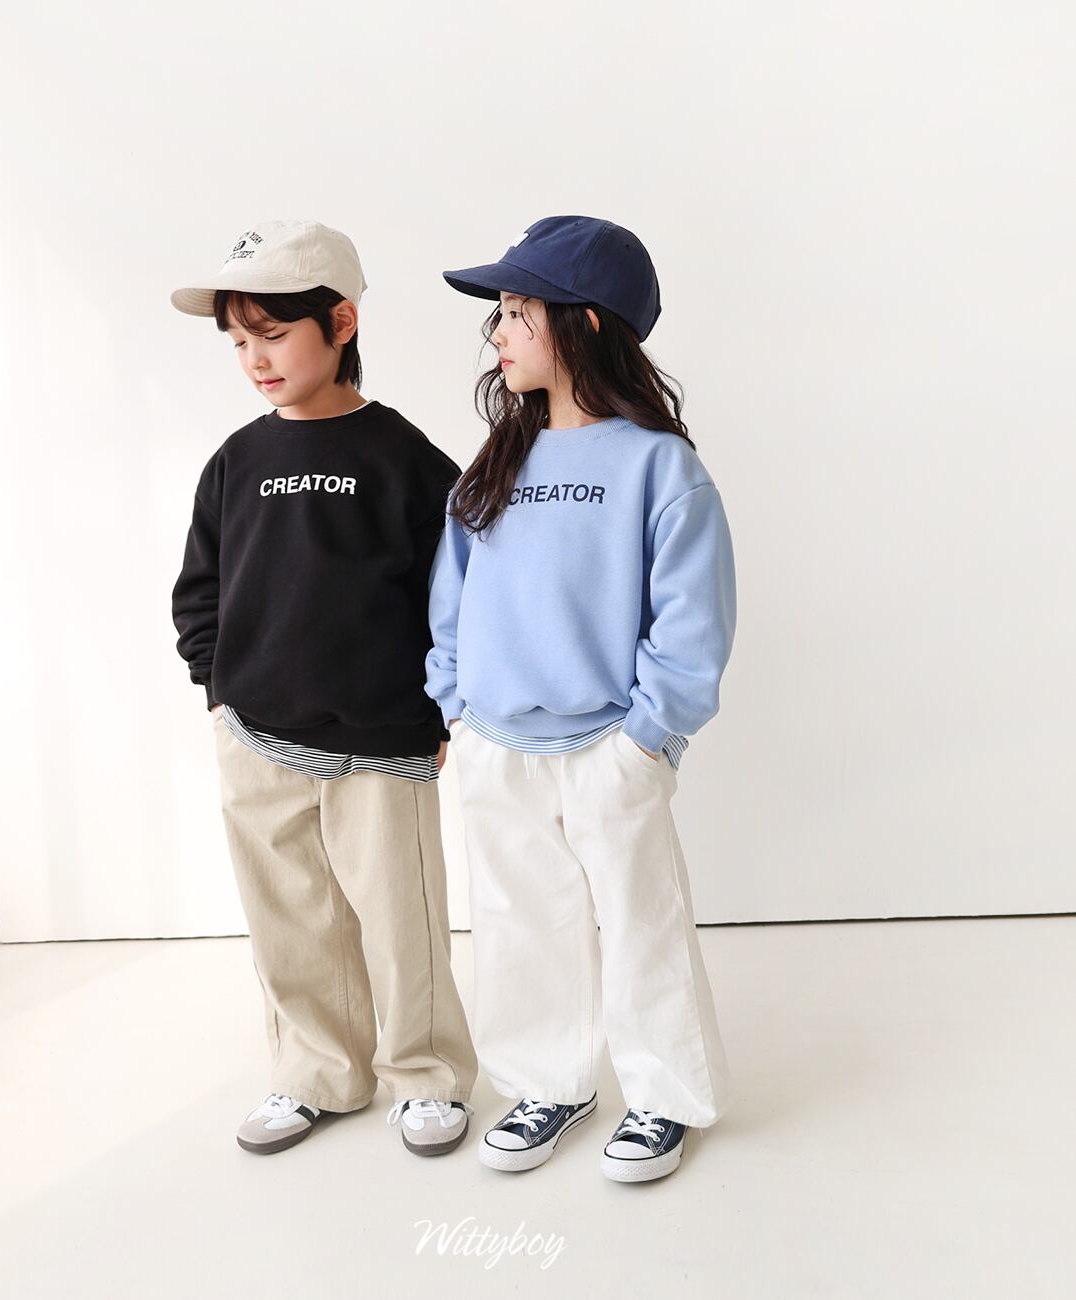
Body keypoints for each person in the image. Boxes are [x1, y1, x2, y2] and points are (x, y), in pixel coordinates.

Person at [426, 215, 737, 1183]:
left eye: (518, 310)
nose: (498, 330)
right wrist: (454, 704)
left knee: (643, 922)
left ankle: (664, 1097)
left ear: (587, 322)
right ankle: (547, 1083)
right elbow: (452, 598)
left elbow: (692, 618)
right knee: (520, 922)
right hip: (496, 739)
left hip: (611, 743)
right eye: (499, 313)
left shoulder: (658, 466)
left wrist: (648, 738)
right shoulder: (498, 460)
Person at [171, 219, 477, 1158]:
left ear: (340, 322)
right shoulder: (235, 462)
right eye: (239, 342)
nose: (255, 360)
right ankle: (318, 1073)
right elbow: (200, 590)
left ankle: (426, 1075)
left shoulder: (404, 458)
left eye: (272, 335)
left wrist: (437, 711)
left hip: (382, 737)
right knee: (290, 919)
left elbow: (457, 595)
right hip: (256, 733)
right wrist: (218, 690)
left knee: (401, 917)